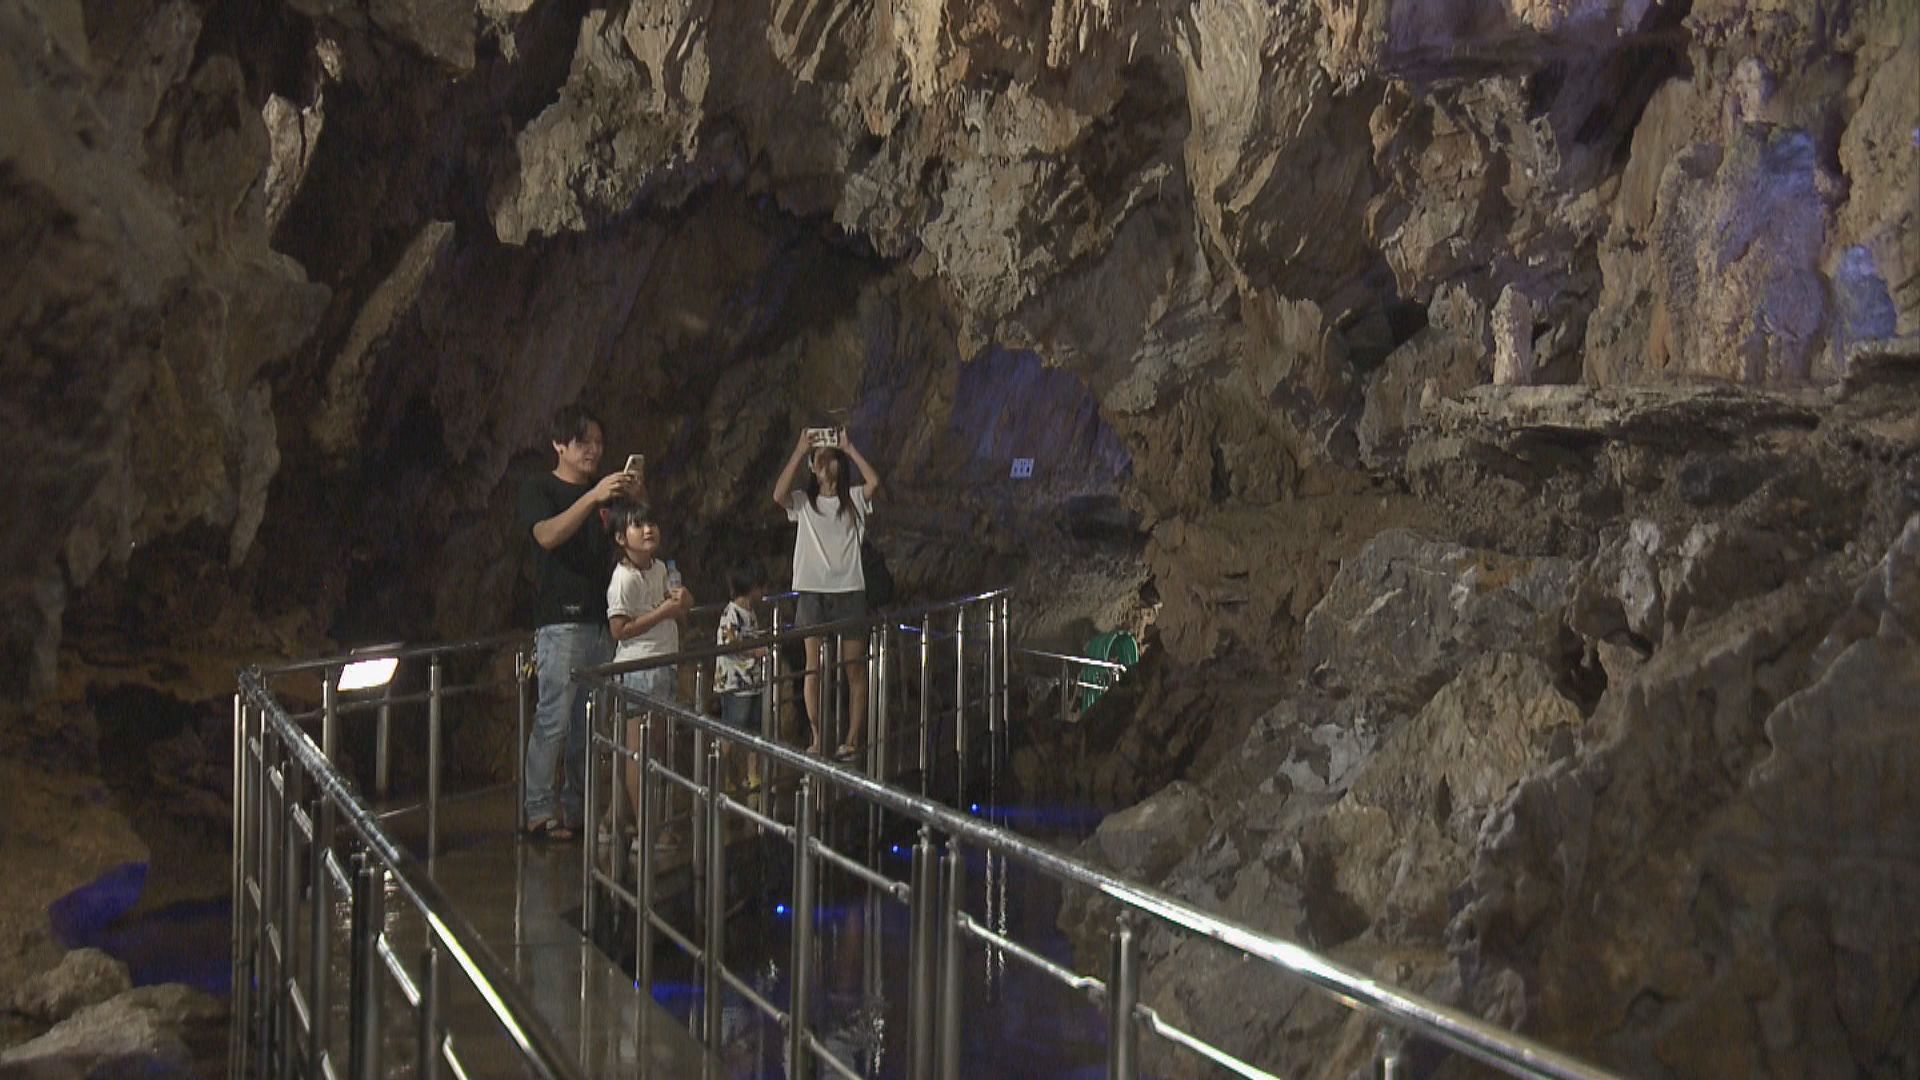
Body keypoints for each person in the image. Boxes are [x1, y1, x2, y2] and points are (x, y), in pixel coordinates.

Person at [517, 404, 638, 842]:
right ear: (559, 444)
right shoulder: (540, 488)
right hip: (560, 623)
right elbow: (546, 536)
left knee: (589, 723)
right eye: (583, 441)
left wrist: (631, 501)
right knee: (553, 717)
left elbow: (628, 545)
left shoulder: (604, 499)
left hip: (600, 622)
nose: (592, 450)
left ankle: (576, 808)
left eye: (598, 443)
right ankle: (537, 810)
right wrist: (591, 497)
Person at [772, 427, 882, 760]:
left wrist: (849, 447)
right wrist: (799, 449)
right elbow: (778, 495)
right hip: (812, 592)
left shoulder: (854, 501)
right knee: (812, 668)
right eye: (820, 460)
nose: (826, 465)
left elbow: (874, 482)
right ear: (812, 467)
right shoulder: (805, 503)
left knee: (854, 668)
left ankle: (850, 738)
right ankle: (818, 735)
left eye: (831, 460)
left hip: (849, 590)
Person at [604, 502, 692, 849]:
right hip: (638, 669)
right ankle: (646, 829)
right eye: (637, 525)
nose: (647, 530)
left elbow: (681, 608)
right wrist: (663, 612)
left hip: (664, 665)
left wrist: (683, 600)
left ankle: (614, 819)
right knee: (637, 752)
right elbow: (618, 629)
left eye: (651, 522)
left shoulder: (661, 570)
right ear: (620, 537)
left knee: (652, 750)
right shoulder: (623, 579)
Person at [715, 563, 770, 792]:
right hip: (735, 683)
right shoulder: (732, 613)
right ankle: (721, 774)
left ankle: (752, 773)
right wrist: (755, 650)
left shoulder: (749, 612)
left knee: (754, 729)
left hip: (752, 681)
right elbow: (730, 644)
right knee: (732, 730)